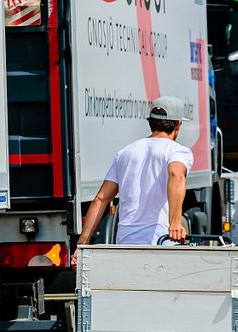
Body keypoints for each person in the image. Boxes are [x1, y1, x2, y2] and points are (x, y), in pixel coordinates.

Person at [70, 96, 192, 270]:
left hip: (126, 241)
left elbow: (101, 199)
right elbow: (175, 174)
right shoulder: (178, 151)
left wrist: (81, 246)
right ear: (178, 124)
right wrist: (175, 222)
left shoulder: (125, 153)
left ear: (150, 122)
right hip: (161, 239)